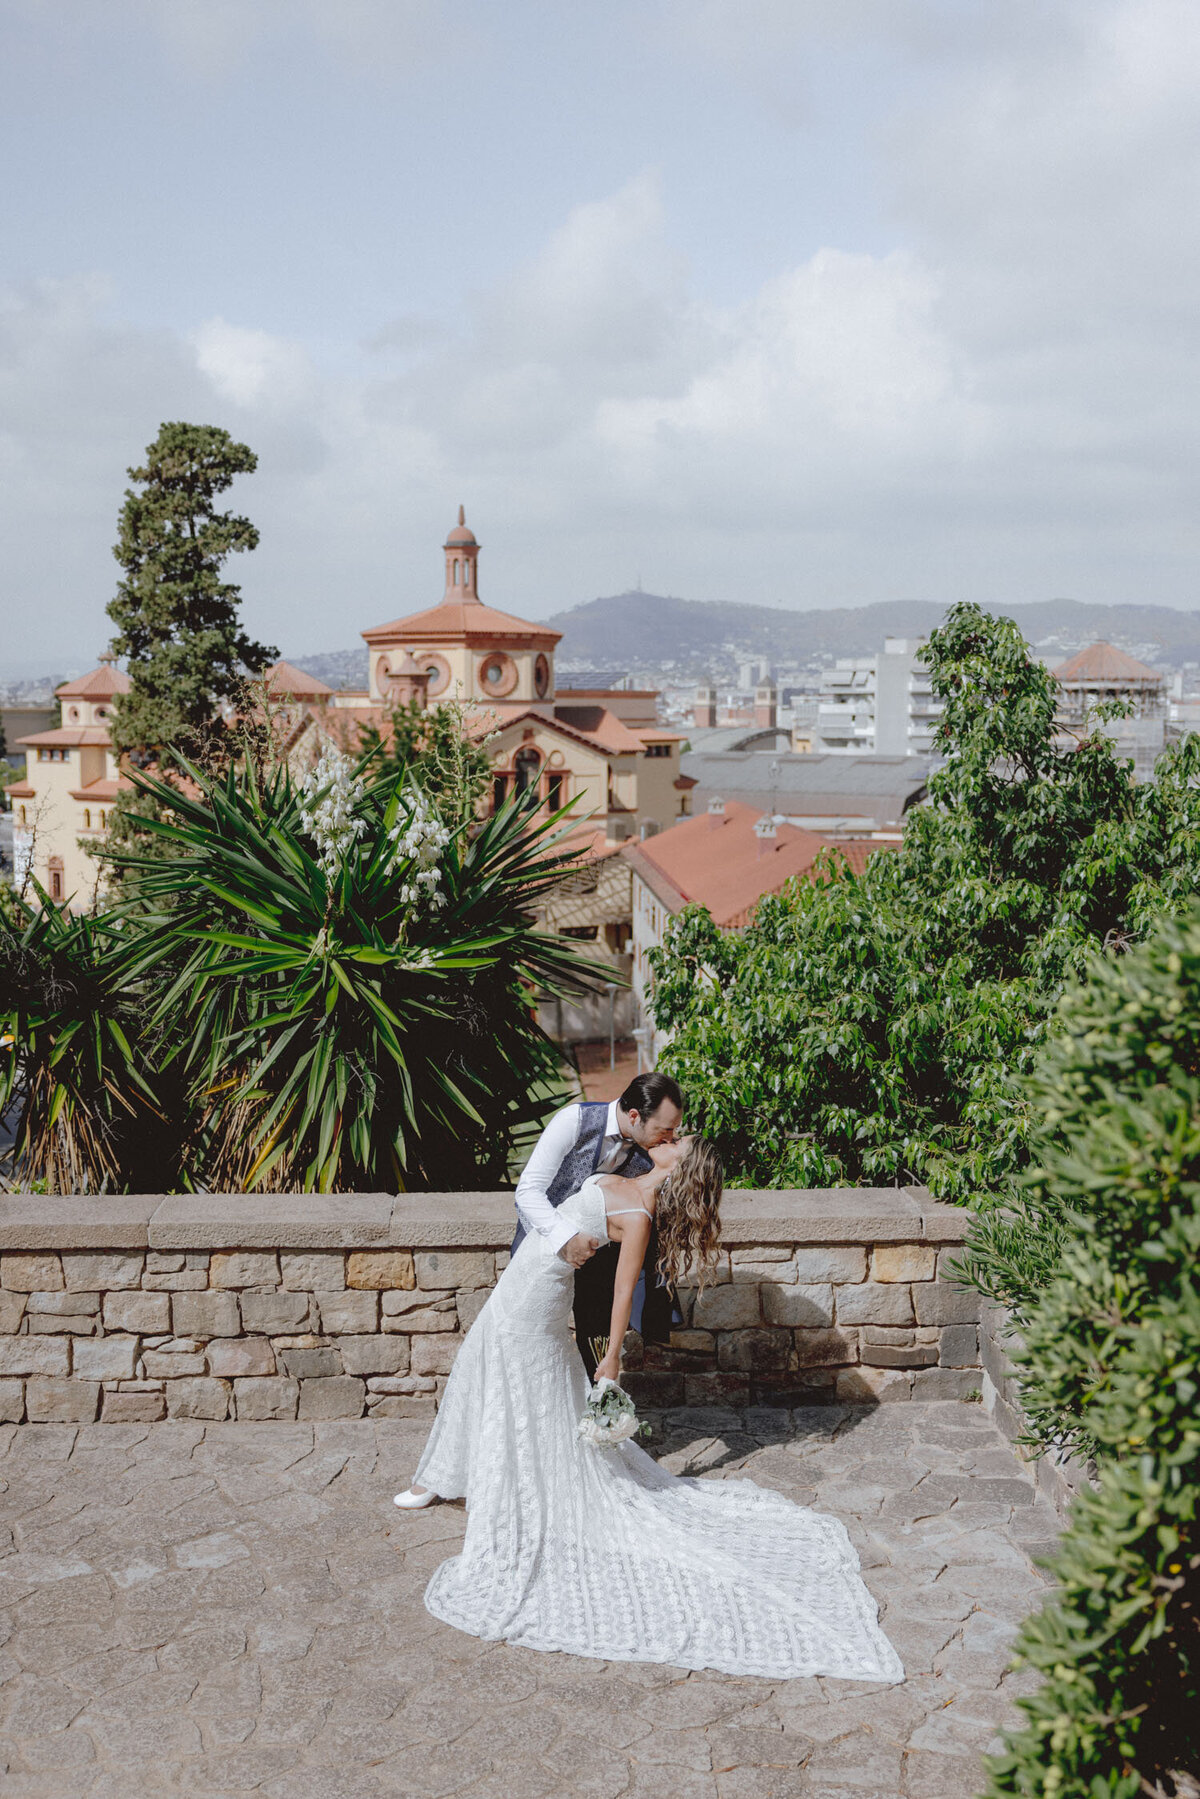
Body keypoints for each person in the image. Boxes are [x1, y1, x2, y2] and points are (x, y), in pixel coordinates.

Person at [392, 1137, 903, 1683]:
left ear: (680, 1165)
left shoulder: (639, 1214)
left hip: (539, 1294)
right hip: (526, 1275)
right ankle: (445, 1474)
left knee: (516, 1379)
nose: (671, 1138)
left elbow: (623, 1291)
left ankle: (498, 1482)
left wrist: (612, 1357)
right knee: (481, 1362)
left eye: (679, 1141)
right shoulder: (627, 1171)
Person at [513, 1070, 683, 1379]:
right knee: (529, 1346)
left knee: (595, 1350)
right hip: (542, 1251)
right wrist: (566, 1238)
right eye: (665, 1129)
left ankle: (595, 1406)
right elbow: (528, 1191)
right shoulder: (574, 1121)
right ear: (635, 1116)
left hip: (600, 1263)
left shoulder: (653, 1153)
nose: (670, 1138)